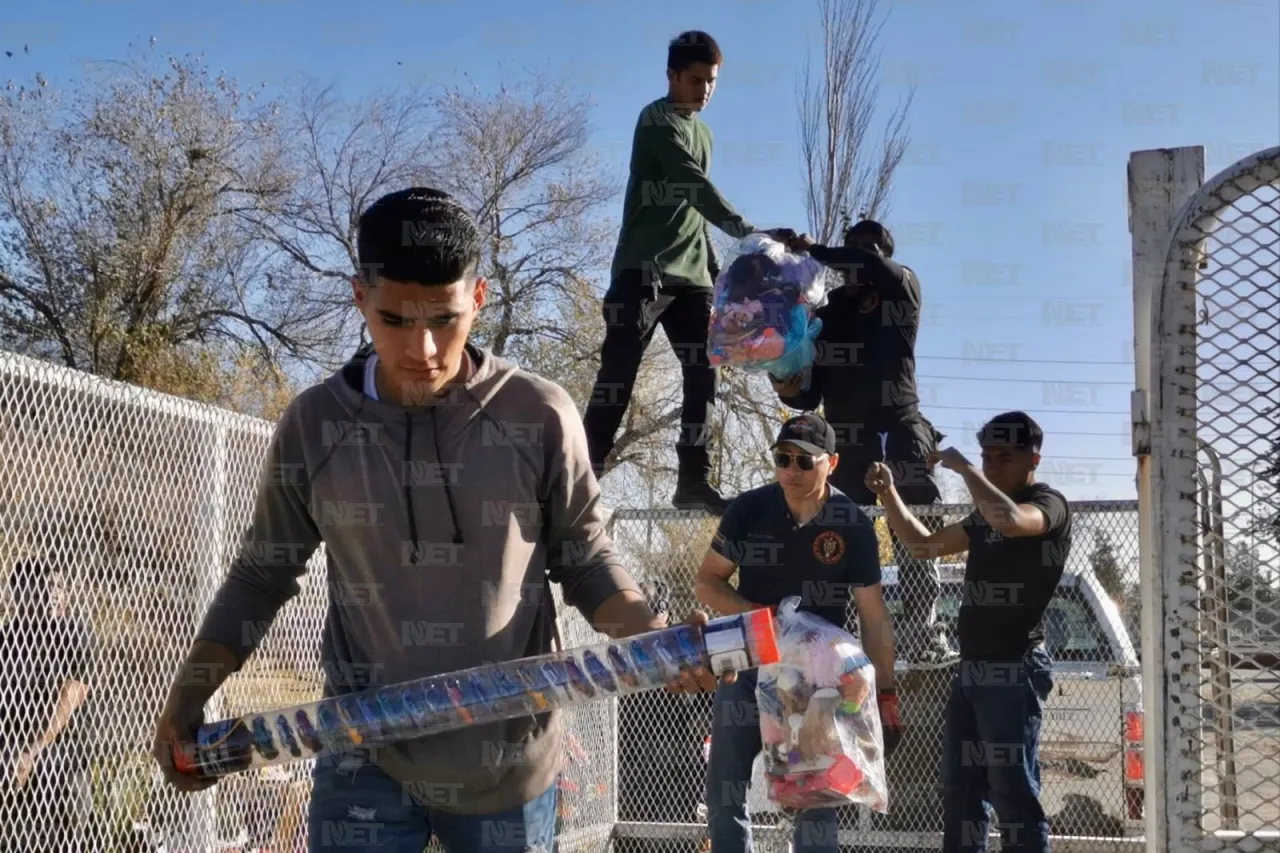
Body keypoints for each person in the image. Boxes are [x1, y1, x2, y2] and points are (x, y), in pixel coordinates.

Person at [151, 187, 727, 853]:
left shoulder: (537, 415)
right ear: (359, 297)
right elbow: (260, 575)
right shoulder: (316, 425)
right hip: (360, 747)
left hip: (508, 763)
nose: (422, 348)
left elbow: (587, 559)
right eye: (395, 319)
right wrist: (189, 695)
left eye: (446, 319)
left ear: (478, 298)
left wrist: (651, 637)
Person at [582, 29, 795, 515]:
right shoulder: (656, 122)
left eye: (712, 82)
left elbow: (692, 211)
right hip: (643, 272)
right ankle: (580, 477)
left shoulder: (705, 133)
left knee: (705, 372)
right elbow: (690, 184)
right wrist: (745, 229)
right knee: (618, 376)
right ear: (672, 76)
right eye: (695, 80)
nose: (704, 91)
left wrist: (720, 271)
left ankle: (693, 479)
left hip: (692, 277)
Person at [694, 413, 903, 853]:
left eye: (804, 462)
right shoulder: (749, 510)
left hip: (817, 681)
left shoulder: (853, 523)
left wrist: (885, 692)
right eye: (782, 459)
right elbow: (707, 582)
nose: (791, 470)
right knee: (725, 787)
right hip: (748, 663)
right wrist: (758, 615)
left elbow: (873, 613)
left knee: (814, 795)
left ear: (832, 463)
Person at [865, 411, 1072, 853]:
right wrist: (890, 495)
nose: (993, 466)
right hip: (971, 671)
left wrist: (965, 468)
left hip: (1014, 670)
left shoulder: (1047, 504)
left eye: (1003, 459)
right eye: (987, 458)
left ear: (1032, 459)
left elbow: (1013, 521)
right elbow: (923, 545)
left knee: (1013, 793)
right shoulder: (984, 518)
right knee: (960, 791)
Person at [771, 220, 955, 668]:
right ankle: (837, 633)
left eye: (869, 250)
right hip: (847, 441)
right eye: (853, 248)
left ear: (882, 254)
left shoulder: (900, 288)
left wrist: (817, 250)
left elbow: (872, 265)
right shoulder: (828, 315)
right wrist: (783, 375)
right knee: (837, 535)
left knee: (914, 524)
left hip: (899, 428)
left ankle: (922, 635)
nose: (859, 258)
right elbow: (807, 394)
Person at [0, 558, 97, 853]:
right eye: (43, 586)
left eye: (58, 586)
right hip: (11, 762)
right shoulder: (7, 638)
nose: (53, 593)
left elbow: (70, 699)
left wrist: (31, 752)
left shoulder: (73, 633)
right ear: (17, 593)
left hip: (61, 763)